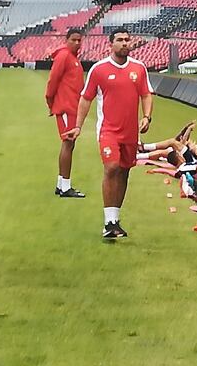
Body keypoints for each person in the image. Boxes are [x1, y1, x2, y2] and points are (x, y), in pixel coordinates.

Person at [66, 29, 153, 239]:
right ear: (110, 44)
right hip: (108, 131)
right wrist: (78, 126)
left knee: (124, 171)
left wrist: (147, 117)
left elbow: (146, 94)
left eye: (127, 40)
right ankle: (108, 222)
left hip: (130, 132)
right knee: (112, 167)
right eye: (120, 40)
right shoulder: (99, 69)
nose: (124, 43)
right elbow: (86, 98)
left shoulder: (139, 68)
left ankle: (114, 220)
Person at [45, 28, 86, 198]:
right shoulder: (64, 56)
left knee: (69, 144)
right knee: (68, 143)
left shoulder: (73, 58)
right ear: (66, 39)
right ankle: (65, 187)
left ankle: (61, 184)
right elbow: (53, 80)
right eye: (74, 40)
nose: (77, 43)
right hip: (66, 107)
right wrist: (50, 101)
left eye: (79, 40)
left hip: (72, 107)